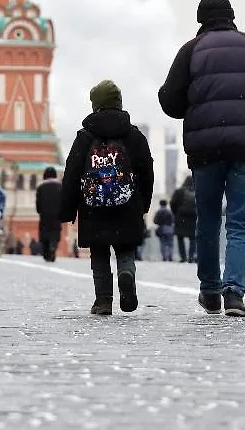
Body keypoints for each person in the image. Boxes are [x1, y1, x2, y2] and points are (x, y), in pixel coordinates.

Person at [158, 0, 245, 317]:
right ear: (232, 16)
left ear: (201, 20)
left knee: (206, 222)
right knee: (240, 222)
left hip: (206, 152)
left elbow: (170, 102)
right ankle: (234, 293)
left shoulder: (191, 51)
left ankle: (209, 290)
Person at [60, 80, 154, 315]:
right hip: (127, 203)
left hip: (93, 207)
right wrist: (143, 202)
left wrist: (68, 209)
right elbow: (146, 170)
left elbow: (72, 173)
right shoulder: (133, 135)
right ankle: (126, 273)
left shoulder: (84, 137)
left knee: (99, 253)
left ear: (96, 105)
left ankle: (103, 300)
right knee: (125, 248)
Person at [35, 167, 62, 262]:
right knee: (55, 232)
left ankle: (46, 253)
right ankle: (53, 246)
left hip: (44, 214)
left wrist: (39, 210)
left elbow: (38, 202)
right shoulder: (60, 186)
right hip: (56, 214)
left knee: (44, 233)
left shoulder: (41, 187)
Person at [170, 176, 198, 263]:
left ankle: (183, 257)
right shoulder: (197, 191)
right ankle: (191, 256)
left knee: (180, 237)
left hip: (180, 216)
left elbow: (172, 203)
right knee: (193, 238)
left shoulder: (179, 191)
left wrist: (176, 213)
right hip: (193, 217)